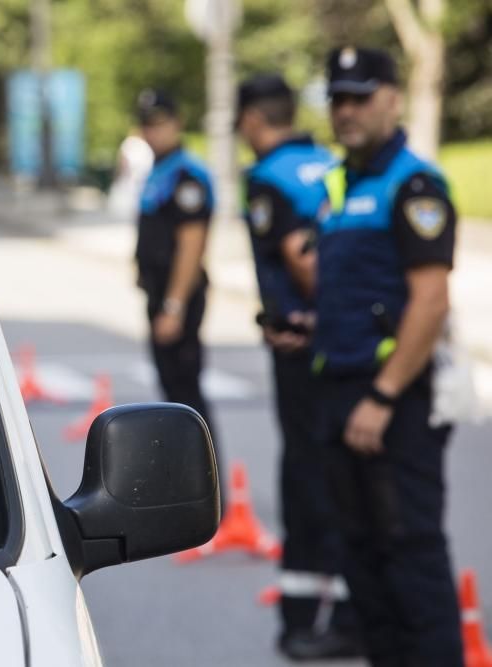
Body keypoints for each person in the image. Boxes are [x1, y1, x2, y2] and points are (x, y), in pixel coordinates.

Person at [314, 47, 463, 665]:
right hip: (338, 389)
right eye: (338, 98)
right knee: (361, 557)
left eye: (360, 96)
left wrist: (382, 396)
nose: (347, 110)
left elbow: (429, 304)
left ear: (393, 98)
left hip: (391, 400)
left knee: (409, 556)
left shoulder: (415, 185)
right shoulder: (341, 182)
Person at [236, 73, 361, 660]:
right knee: (337, 473)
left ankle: (307, 621)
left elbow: (300, 255)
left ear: (252, 121)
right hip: (344, 348)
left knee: (308, 479)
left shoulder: (268, 178)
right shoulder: (326, 164)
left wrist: (319, 314)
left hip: (305, 347)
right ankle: (342, 607)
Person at [133, 88, 218, 442]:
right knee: (174, 396)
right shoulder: (161, 170)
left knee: (187, 401)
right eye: (146, 125)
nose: (153, 132)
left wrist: (174, 306)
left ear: (177, 123)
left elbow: (191, 244)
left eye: (160, 124)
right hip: (160, 296)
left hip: (178, 299)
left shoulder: (186, 175)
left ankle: (206, 486)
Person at [107, 126, 155, 222]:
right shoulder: (142, 145)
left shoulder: (132, 143)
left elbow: (123, 160)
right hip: (140, 179)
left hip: (133, 178)